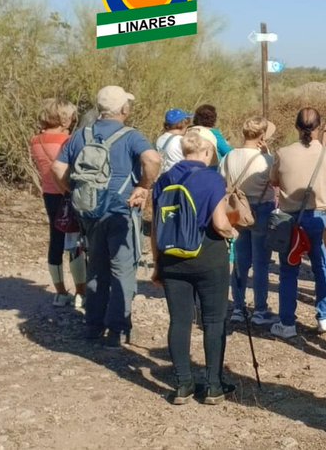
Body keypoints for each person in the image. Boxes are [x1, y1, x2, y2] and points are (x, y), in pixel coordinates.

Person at [52, 85, 160, 347]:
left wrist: (73, 191)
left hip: (89, 211)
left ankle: (93, 325)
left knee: (96, 267)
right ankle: (117, 329)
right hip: (121, 211)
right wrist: (144, 187)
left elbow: (57, 167)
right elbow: (153, 160)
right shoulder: (132, 136)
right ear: (123, 109)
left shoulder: (80, 135)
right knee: (123, 269)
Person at [151, 126, 238, 404]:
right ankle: (213, 385)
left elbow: (155, 227)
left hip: (171, 258)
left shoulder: (163, 180)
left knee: (179, 320)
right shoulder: (212, 179)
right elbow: (220, 223)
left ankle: (182, 385)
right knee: (213, 320)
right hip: (208, 256)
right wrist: (233, 234)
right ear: (208, 151)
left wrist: (157, 265)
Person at [269, 107, 326, 339]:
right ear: (320, 127)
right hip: (320, 215)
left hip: (291, 219)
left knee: (288, 270)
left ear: (296, 127)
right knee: (323, 266)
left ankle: (287, 321)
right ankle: (324, 316)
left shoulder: (283, 152)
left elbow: (274, 180)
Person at [220, 116, 279, 325]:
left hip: (237, 209)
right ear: (262, 136)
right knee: (261, 262)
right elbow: (276, 181)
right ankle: (260, 309)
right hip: (261, 209)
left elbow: (222, 181)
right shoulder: (267, 160)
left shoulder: (228, 157)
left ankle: (238, 306)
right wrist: (268, 154)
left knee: (239, 260)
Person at [29, 98, 87, 308]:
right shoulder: (69, 140)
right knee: (75, 242)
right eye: (70, 115)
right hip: (69, 192)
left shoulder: (36, 140)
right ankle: (81, 291)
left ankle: (60, 292)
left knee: (55, 239)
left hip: (49, 194)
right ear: (63, 118)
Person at [155, 109, 192, 174]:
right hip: (178, 178)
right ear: (183, 124)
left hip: (163, 177)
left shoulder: (160, 139)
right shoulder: (181, 141)